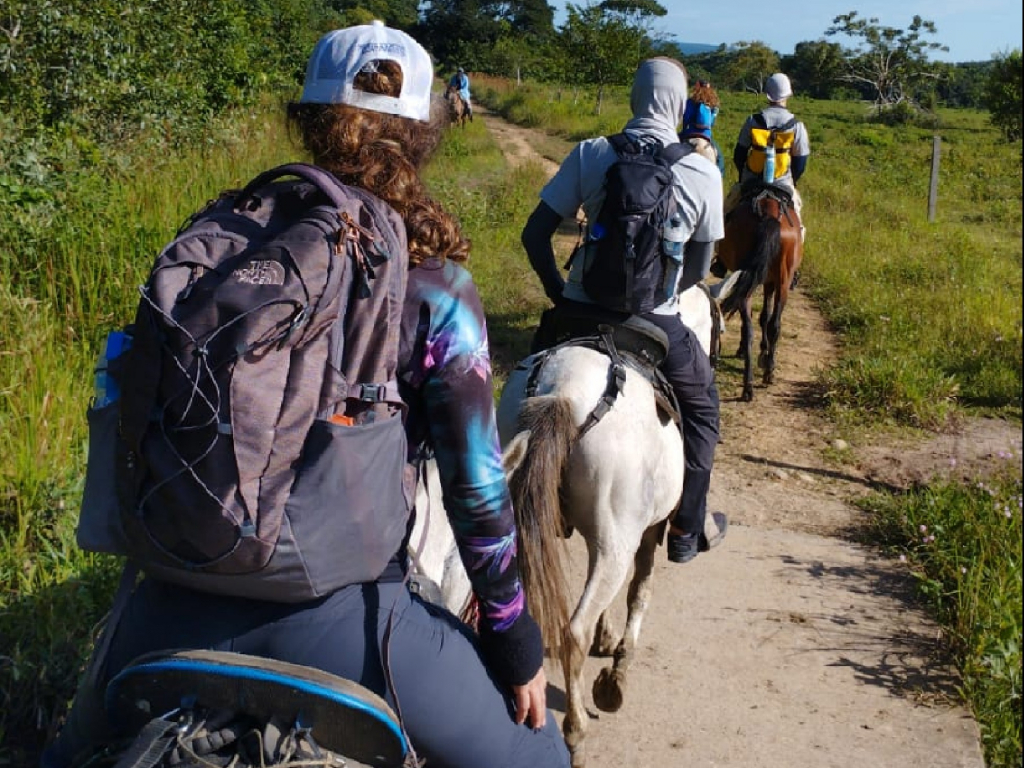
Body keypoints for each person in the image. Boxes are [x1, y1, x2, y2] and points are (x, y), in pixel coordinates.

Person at [42, 22, 569, 768]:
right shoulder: (437, 288)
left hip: (159, 606)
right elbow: (477, 493)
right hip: (350, 624)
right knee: (542, 758)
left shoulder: (227, 245)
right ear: (425, 135)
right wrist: (516, 644)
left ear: (307, 120)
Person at [520, 57, 728, 565]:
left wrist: (558, 291)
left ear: (633, 98)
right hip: (653, 320)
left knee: (524, 386)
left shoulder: (592, 152)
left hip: (575, 312)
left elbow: (534, 234)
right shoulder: (701, 170)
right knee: (703, 410)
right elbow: (701, 266)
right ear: (680, 106)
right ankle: (684, 530)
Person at [724, 72, 810, 238]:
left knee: (727, 212)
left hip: (751, 180)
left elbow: (739, 154)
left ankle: (720, 257)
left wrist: (743, 177)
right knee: (798, 224)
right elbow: (800, 163)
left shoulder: (752, 120)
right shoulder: (797, 126)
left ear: (767, 94)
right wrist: (793, 181)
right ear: (788, 95)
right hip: (783, 182)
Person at [680, 79, 725, 177]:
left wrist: (684, 132)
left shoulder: (690, 101)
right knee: (720, 159)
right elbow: (711, 123)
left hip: (689, 134)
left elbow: (686, 119)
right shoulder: (713, 104)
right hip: (706, 137)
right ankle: (719, 179)